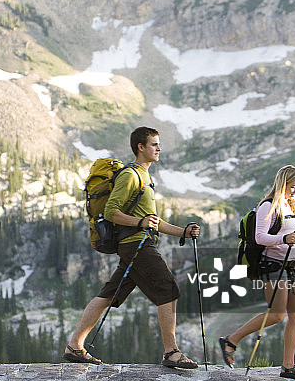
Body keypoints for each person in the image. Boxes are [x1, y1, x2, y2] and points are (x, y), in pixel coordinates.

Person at [63, 126, 201, 368]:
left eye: (159, 144)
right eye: (154, 144)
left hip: (134, 245)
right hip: (136, 245)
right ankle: (171, 352)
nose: (159, 148)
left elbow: (153, 221)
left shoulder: (146, 177)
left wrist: (183, 233)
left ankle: (75, 346)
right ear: (141, 147)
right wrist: (139, 222)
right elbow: (111, 212)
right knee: (168, 290)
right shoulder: (131, 175)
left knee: (109, 294)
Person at [218, 165, 295, 381]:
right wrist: (283, 239)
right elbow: (260, 238)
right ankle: (231, 340)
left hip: (292, 266)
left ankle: (288, 366)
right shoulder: (268, 206)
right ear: (282, 183)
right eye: (292, 187)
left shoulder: (290, 206)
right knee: (276, 314)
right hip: (273, 266)